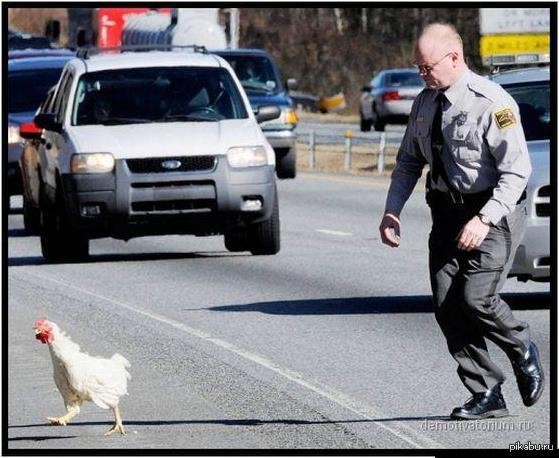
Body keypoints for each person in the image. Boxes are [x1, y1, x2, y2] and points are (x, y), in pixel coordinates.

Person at [379, 23, 544, 420]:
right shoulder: (424, 103)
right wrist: (392, 210)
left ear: (454, 58)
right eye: (418, 68)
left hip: (493, 211)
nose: (422, 74)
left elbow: (516, 173)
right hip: (446, 212)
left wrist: (484, 219)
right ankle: (487, 392)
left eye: (426, 67)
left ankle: (522, 346)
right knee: (448, 305)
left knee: (476, 298)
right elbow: (408, 163)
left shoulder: (492, 103)